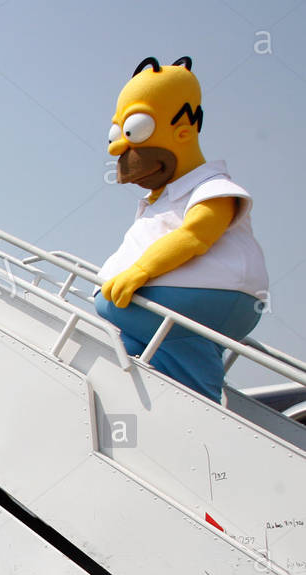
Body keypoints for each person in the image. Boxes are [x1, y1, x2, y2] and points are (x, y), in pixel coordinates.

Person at [95, 56, 268, 401]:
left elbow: (195, 235)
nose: (120, 148)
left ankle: (200, 401)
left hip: (205, 300)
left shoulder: (211, 187)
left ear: (184, 129)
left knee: (189, 364)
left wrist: (141, 270)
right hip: (165, 316)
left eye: (134, 130)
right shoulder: (162, 198)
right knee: (144, 355)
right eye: (118, 134)